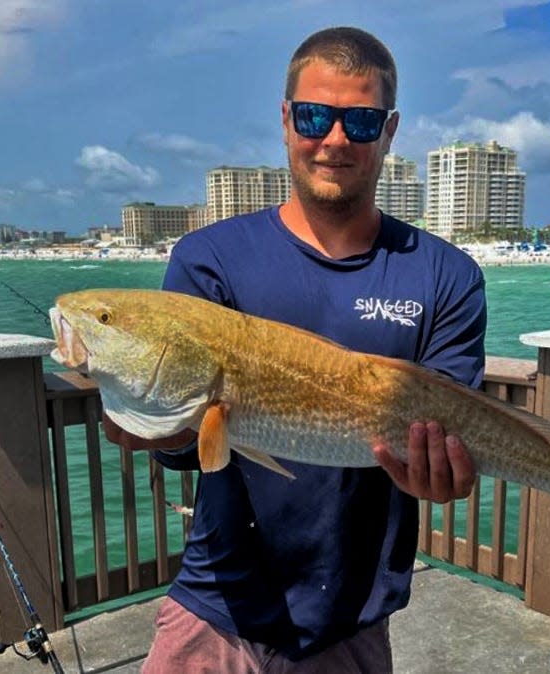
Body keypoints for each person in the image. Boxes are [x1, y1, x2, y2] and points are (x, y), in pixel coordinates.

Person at [104, 25, 486, 673]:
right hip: (215, 607)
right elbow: (189, 450)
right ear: (286, 120)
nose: (335, 139)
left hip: (352, 620)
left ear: (389, 132)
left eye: (361, 122)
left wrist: (451, 472)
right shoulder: (209, 259)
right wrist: (157, 427)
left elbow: (456, 436)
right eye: (315, 115)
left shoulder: (446, 274)